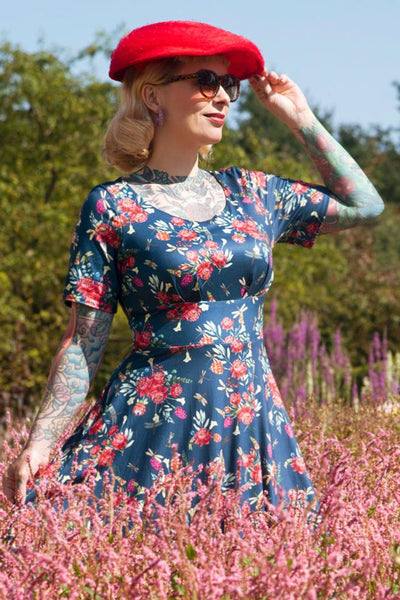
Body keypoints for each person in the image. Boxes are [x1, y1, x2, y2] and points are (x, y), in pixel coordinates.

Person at [3, 21, 384, 510]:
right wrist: (38, 443)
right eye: (206, 81)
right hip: (150, 429)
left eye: (229, 85)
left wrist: (299, 118)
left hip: (252, 423)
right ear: (153, 96)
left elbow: (365, 205)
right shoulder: (112, 206)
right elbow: (83, 341)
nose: (222, 97)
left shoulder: (254, 194)